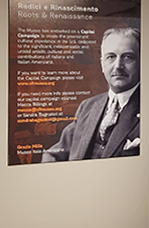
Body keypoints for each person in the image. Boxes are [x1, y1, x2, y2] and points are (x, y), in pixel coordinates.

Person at [42, 27, 140, 162]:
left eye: (128, 57)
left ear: (141, 61)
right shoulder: (88, 106)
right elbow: (56, 152)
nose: (118, 65)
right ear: (102, 64)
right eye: (111, 57)